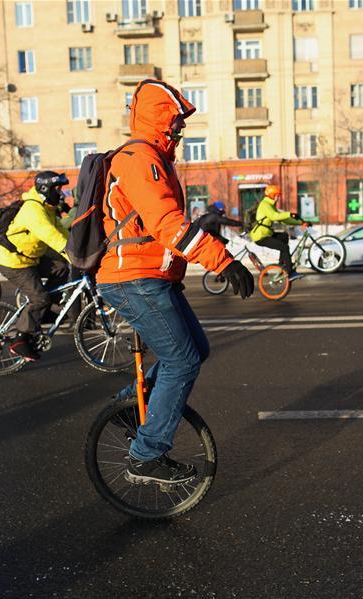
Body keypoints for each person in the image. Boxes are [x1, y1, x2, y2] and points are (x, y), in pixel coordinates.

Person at [97, 79, 254, 485]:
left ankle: (129, 410)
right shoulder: (139, 159)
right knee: (181, 360)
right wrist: (223, 261)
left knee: (194, 350)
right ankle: (146, 456)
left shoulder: (153, 158)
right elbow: (167, 225)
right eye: (177, 123)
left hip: (152, 275)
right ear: (159, 121)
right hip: (133, 278)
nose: (182, 131)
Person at [0, 171, 71, 361]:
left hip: (30, 258)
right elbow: (51, 236)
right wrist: (75, 257)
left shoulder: (47, 208)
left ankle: (45, 311)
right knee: (39, 298)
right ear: (45, 188)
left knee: (61, 267)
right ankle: (19, 341)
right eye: (57, 188)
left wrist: (78, 251)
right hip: (13, 262)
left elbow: (62, 233)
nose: (60, 193)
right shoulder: (33, 210)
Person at [249, 184, 304, 277]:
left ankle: (282, 264)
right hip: (260, 237)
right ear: (270, 195)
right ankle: (290, 272)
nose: (278, 197)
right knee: (284, 248)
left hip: (267, 234)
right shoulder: (265, 205)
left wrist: (301, 222)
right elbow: (274, 216)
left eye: (278, 195)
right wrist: (289, 214)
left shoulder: (271, 206)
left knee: (284, 236)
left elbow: (283, 219)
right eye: (276, 195)